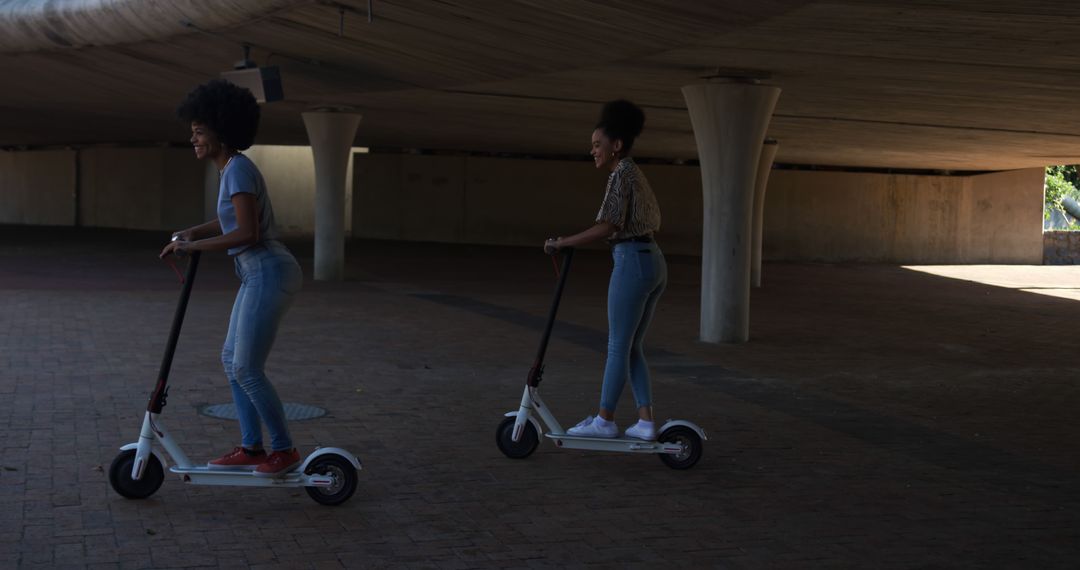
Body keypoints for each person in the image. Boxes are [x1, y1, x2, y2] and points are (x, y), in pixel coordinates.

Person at [160, 79, 304, 477]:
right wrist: (193, 232)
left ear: (221, 133)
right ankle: (251, 447)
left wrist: (192, 248)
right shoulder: (231, 169)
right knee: (231, 360)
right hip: (257, 272)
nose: (193, 138)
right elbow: (231, 220)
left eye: (200, 132)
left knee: (247, 368)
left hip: (268, 271)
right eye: (192, 132)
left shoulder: (237, 169)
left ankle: (283, 450)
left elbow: (248, 233)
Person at [543, 100, 666, 441]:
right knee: (632, 346)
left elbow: (608, 225)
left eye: (597, 144)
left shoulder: (621, 174)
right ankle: (645, 422)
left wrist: (565, 242)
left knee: (617, 347)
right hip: (652, 260)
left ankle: (605, 420)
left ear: (617, 145)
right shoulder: (632, 171)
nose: (592, 150)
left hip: (632, 262)